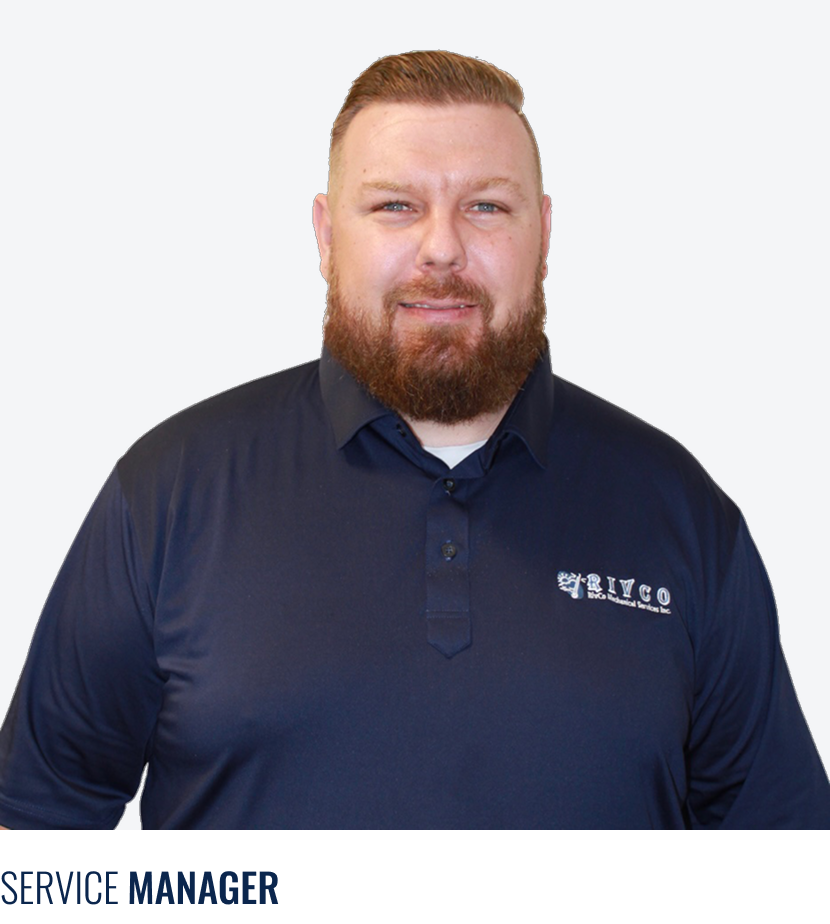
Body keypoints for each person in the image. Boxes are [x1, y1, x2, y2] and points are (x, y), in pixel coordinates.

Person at [0, 50, 828, 830]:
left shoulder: (680, 510)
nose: (441, 248)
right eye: (395, 205)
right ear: (327, 237)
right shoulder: (166, 496)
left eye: (486, 206)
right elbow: (29, 839)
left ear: (543, 232)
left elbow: (789, 866)